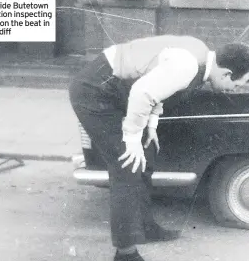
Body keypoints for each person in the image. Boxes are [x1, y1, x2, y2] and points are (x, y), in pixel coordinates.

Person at [69, 35, 249, 261]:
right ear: (226, 73)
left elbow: (160, 88)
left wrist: (151, 125)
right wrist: (132, 139)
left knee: (148, 152)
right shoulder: (188, 64)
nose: (233, 90)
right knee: (127, 165)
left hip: (119, 89)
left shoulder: (203, 59)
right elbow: (142, 92)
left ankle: (145, 226)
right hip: (95, 90)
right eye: (236, 85)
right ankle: (125, 253)